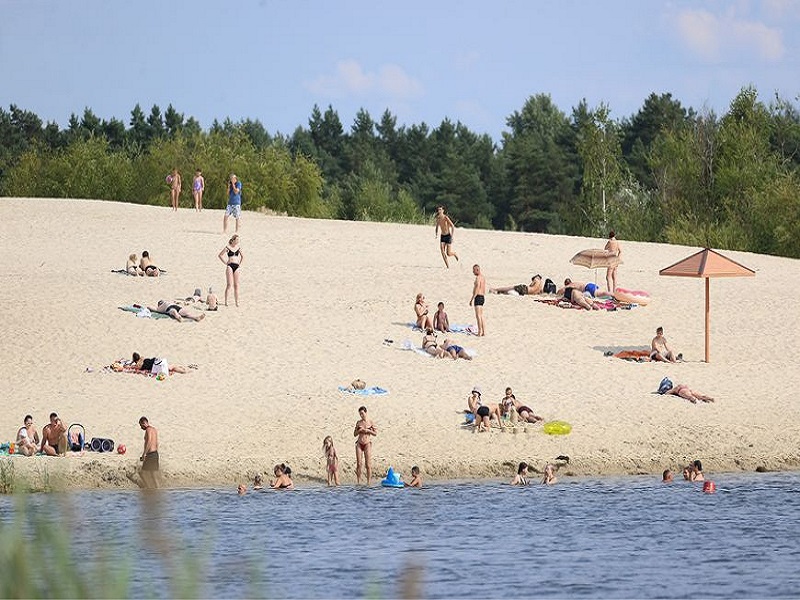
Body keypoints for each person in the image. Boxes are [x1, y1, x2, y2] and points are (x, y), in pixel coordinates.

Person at [354, 406, 377, 485]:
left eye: (362, 413)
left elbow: (375, 433)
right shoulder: (359, 422)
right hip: (359, 443)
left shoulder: (370, 422)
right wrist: (359, 430)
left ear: (366, 413)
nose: (361, 415)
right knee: (359, 463)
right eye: (360, 414)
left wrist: (367, 430)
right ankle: (358, 481)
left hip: (367, 443)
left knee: (368, 464)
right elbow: (354, 434)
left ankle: (368, 482)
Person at [219, 234, 243, 307]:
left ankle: (237, 302)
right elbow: (220, 255)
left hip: (237, 266)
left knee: (236, 285)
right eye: (237, 240)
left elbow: (243, 256)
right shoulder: (227, 247)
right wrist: (225, 262)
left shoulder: (238, 248)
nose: (238, 241)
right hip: (230, 266)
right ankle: (226, 301)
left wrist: (240, 263)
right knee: (229, 284)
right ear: (233, 240)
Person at [138, 416, 160, 489]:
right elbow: (156, 443)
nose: (141, 427)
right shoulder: (154, 430)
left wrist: (144, 454)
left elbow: (149, 441)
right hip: (155, 454)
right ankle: (157, 489)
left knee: (143, 473)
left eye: (141, 425)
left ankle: (148, 488)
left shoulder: (148, 430)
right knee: (153, 475)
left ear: (144, 423)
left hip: (150, 454)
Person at [469, 264, 486, 336]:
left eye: (473, 270)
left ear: (477, 270)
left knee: (478, 316)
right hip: (482, 297)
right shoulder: (483, 277)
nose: (473, 272)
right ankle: (483, 332)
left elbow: (477, 288)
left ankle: (479, 332)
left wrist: (472, 299)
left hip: (478, 297)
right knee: (481, 315)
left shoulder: (478, 278)